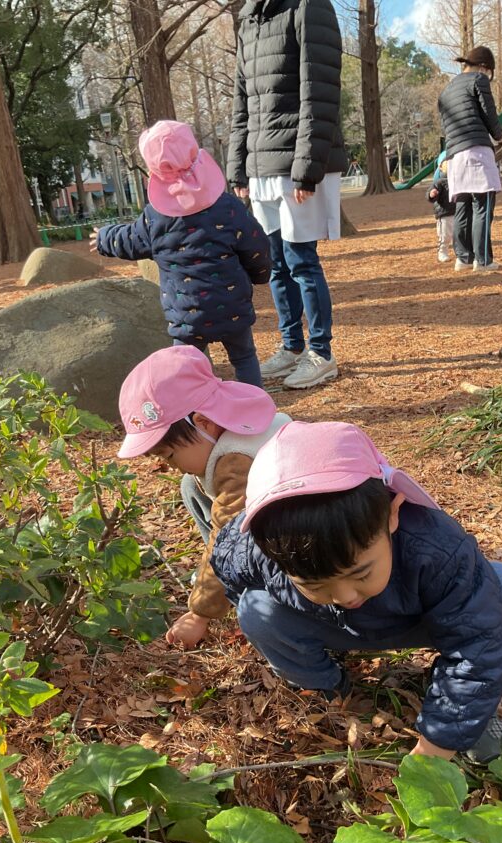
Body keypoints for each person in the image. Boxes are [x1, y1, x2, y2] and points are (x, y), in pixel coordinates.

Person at [210, 421, 502, 763]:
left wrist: (440, 741)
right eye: (314, 584)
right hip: (332, 626)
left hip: (413, 622)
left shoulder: (436, 549)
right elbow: (227, 566)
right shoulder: (256, 550)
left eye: (360, 573)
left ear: (392, 515)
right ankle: (325, 687)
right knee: (255, 609)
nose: (344, 595)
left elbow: (478, 643)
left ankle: (464, 706)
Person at [117, 346, 290, 649]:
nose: (170, 466)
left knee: (227, 543)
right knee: (190, 485)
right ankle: (225, 579)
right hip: (279, 522)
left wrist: (199, 614)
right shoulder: (235, 425)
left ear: (202, 423)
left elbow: (227, 536)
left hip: (300, 549)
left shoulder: (237, 464)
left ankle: (245, 588)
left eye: (170, 455)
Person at [91, 121, 270, 388]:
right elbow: (257, 245)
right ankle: (257, 410)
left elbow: (130, 239)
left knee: (187, 369)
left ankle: (196, 418)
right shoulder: (228, 208)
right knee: (244, 357)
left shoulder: (155, 218)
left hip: (187, 315)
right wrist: (260, 274)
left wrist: (105, 236)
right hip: (232, 306)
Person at [226, 0, 347, 390]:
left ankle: (321, 353)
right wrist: (238, 166)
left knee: (301, 261)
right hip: (261, 166)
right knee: (276, 264)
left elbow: (320, 91)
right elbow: (242, 103)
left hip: (297, 161)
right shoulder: (248, 20)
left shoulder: (308, 6)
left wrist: (307, 168)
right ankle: (292, 345)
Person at [437, 45, 502, 272]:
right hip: (476, 150)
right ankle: (483, 260)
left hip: (454, 156)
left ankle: (463, 258)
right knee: (483, 205)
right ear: (485, 67)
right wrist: (499, 135)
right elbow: (489, 112)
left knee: (463, 206)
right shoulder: (478, 80)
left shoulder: (447, 89)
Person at [426, 152, 455, 263]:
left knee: (459, 235)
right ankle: (442, 251)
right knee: (445, 235)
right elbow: (429, 194)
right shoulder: (439, 182)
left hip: (458, 212)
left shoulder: (458, 180)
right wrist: (431, 194)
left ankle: (461, 252)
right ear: (441, 167)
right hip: (444, 214)